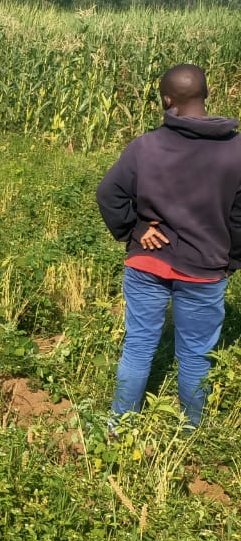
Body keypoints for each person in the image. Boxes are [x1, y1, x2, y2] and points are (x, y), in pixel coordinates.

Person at [96, 63, 241, 428]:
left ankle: (121, 424)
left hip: (147, 262)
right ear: (207, 95)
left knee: (139, 344)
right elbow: (239, 217)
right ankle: (191, 429)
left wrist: (135, 228)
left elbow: (108, 194)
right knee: (196, 354)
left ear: (166, 100)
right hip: (205, 267)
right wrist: (231, 261)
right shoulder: (236, 151)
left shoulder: (145, 146)